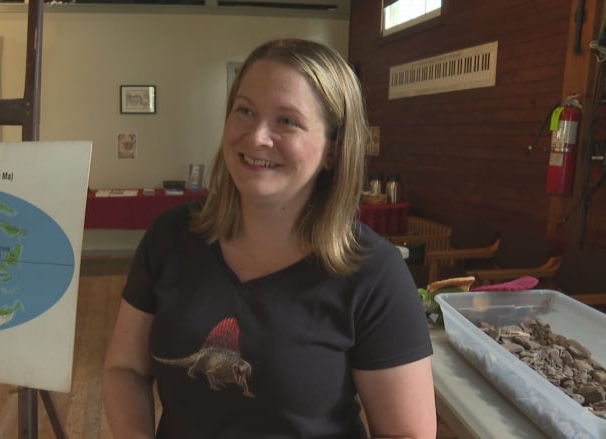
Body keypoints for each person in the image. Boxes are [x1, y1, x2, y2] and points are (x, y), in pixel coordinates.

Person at [103, 38, 436, 438]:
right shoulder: (170, 237)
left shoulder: (374, 273)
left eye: (287, 121)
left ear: (333, 150)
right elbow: (125, 369)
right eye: (245, 111)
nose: (257, 136)